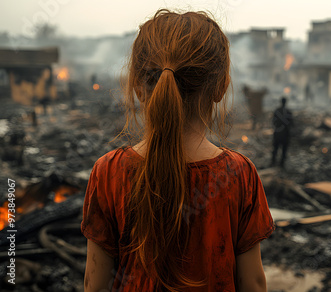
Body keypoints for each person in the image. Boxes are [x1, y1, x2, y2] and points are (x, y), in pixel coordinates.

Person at [81, 10, 274, 292]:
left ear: (137, 87)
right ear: (220, 87)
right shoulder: (239, 174)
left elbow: (94, 284)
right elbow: (253, 284)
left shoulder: (109, 172)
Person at [271, 97, 293, 167]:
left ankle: (273, 162)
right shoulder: (288, 112)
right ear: (286, 102)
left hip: (277, 133)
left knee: (275, 149)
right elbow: (292, 123)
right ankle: (282, 164)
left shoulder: (277, 111)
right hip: (285, 134)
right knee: (284, 150)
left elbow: (273, 122)